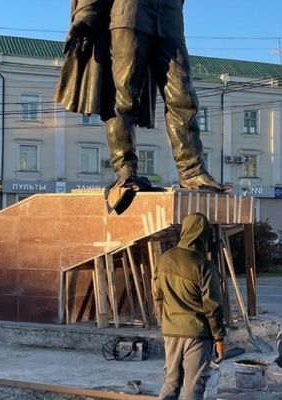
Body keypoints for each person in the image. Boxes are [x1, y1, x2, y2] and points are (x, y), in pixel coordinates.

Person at [56, 0, 226, 215]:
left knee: (183, 97)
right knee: (124, 97)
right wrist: (87, 12)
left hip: (169, 17)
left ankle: (192, 172)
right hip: (129, 12)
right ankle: (125, 170)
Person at [153, 213, 226, 400]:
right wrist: (219, 338)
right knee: (194, 388)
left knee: (171, 383)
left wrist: (165, 322)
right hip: (197, 334)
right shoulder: (204, 266)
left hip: (170, 332)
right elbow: (213, 307)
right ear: (204, 236)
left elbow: (158, 296)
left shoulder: (164, 259)